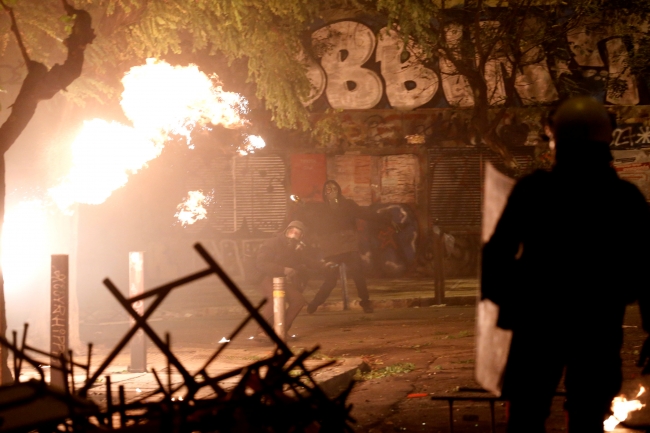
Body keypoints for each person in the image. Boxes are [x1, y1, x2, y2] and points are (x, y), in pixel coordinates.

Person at [482, 96, 650, 432]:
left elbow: (495, 255)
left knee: (527, 413)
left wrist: (510, 302)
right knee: (588, 414)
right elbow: (647, 269)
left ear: (556, 139)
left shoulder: (533, 191)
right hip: (598, 321)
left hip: (537, 321)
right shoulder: (625, 198)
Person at [306, 180, 393, 314]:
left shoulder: (348, 205)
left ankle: (365, 302)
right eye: (328, 189)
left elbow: (366, 214)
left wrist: (386, 219)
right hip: (332, 248)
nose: (332, 191)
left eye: (335, 189)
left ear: (339, 191)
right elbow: (312, 224)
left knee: (357, 273)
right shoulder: (321, 209)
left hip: (348, 245)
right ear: (324, 193)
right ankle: (315, 303)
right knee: (330, 279)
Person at [255, 220, 328, 338]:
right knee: (274, 298)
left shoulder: (295, 248)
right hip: (266, 277)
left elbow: (305, 260)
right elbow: (261, 263)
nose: (294, 234)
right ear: (286, 231)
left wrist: (322, 265)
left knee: (298, 300)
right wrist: (283, 269)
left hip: (280, 279)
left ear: (301, 236)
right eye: (291, 231)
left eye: (297, 233)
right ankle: (262, 331)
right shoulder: (272, 242)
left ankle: (281, 330)